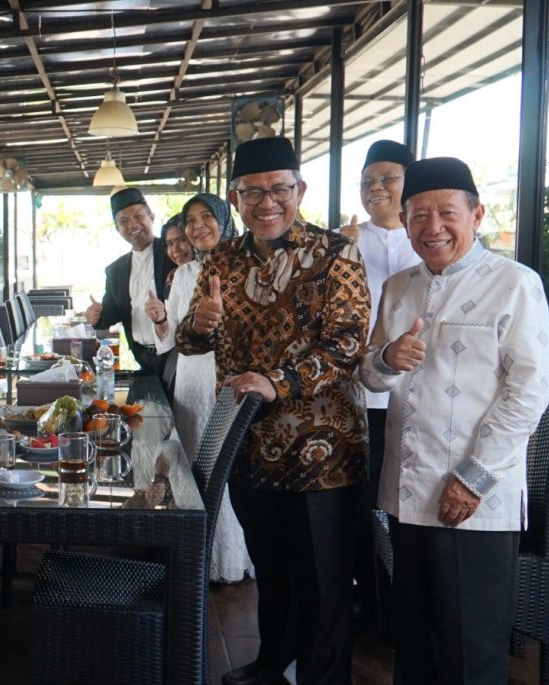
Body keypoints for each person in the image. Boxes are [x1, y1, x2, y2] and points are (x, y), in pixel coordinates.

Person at [176, 138, 370, 685]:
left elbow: (347, 343)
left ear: (299, 190)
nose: (267, 202)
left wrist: (277, 382)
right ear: (235, 199)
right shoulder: (221, 260)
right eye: (253, 192)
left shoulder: (337, 254)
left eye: (279, 190)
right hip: (249, 446)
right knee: (272, 570)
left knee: (324, 583)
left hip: (323, 450)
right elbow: (192, 343)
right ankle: (269, 662)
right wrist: (201, 325)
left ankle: (320, 678)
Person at [359, 157, 549, 684]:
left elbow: (529, 391)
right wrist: (384, 358)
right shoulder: (398, 287)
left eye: (447, 212)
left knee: (470, 649)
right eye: (418, 215)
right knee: (413, 639)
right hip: (406, 490)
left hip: (474, 497)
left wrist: (473, 478)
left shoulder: (514, 283)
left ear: (477, 214)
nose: (433, 227)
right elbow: (371, 379)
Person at [145, 193, 253, 583]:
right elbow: (170, 339)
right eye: (191, 220)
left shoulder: (244, 266)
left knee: (221, 469)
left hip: (223, 378)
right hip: (190, 378)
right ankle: (196, 557)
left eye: (208, 217)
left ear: (225, 220)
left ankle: (224, 560)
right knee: (192, 465)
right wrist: (159, 318)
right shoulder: (187, 273)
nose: (197, 226)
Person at [337, 139, 421, 626]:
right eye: (367, 181)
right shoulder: (344, 240)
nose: (376, 188)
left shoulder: (430, 238)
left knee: (407, 506)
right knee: (364, 503)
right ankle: (373, 599)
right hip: (361, 394)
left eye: (387, 178)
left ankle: (408, 604)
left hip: (420, 401)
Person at [85, 187, 175, 375]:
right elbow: (112, 314)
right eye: (124, 221)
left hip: (175, 356)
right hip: (141, 357)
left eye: (138, 216)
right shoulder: (116, 270)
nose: (132, 225)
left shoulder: (173, 254)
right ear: (118, 229)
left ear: (151, 216)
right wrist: (98, 314)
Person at [160, 213, 193, 297]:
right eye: (170, 244)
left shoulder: (212, 272)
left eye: (182, 240)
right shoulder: (172, 278)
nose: (175, 249)